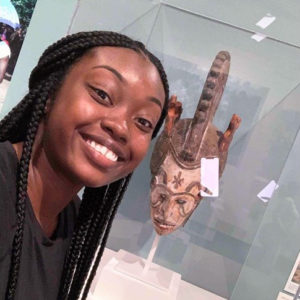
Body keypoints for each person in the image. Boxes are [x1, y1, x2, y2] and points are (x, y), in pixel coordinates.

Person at [0, 31, 169, 299]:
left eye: (143, 122)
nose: (121, 127)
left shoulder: (73, 218)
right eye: (103, 94)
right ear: (49, 95)